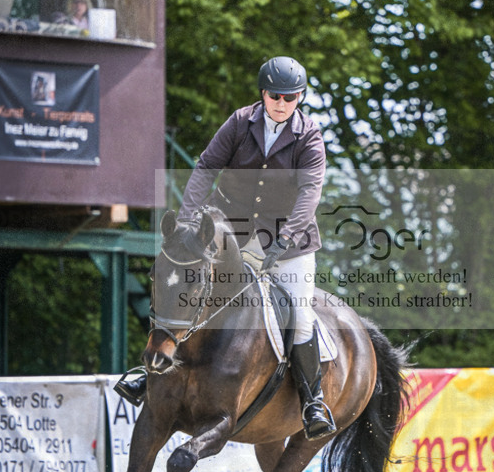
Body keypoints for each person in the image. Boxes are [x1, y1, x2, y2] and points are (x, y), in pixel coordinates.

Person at [116, 56, 336, 441]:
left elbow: (309, 193)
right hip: (229, 229)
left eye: (290, 97)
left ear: (299, 97)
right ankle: (145, 374)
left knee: (299, 317)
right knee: (183, 288)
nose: (281, 103)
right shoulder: (239, 123)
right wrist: (186, 223)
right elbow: (205, 167)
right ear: (262, 93)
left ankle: (312, 400)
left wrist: (283, 240)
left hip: (288, 242)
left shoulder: (309, 137)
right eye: (274, 96)